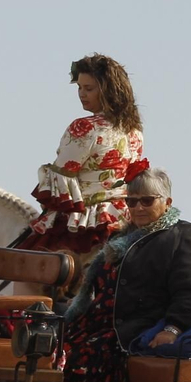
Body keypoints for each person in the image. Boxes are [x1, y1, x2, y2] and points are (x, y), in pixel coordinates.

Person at [53, 166, 191, 382]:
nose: (137, 207)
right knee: (44, 346)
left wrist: (172, 328)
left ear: (167, 203)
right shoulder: (122, 239)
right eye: (131, 201)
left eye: (147, 201)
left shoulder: (182, 235)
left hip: (133, 330)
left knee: (77, 361)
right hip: (98, 324)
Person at [25, 54, 147, 255]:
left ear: (108, 90)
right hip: (124, 218)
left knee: (27, 270)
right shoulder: (135, 131)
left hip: (86, 223)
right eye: (79, 88)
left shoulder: (84, 127)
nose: (81, 94)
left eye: (88, 88)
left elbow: (60, 180)